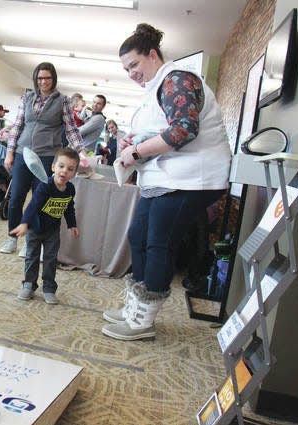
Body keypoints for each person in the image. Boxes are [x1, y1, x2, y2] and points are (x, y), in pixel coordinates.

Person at [101, 23, 231, 341]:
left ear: (153, 55)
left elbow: (184, 129)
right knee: (138, 236)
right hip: (165, 178)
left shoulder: (178, 78)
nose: (131, 72)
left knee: (159, 242)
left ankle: (142, 321)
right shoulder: (157, 88)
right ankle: (135, 307)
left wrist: (136, 151)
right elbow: (162, 129)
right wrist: (136, 139)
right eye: (126, 68)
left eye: (134, 64)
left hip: (192, 179)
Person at [0, 62, 85, 257]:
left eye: (47, 78)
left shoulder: (63, 101)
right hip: (23, 152)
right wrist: (10, 152)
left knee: (40, 199)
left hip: (47, 155)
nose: (43, 82)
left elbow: (71, 129)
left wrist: (80, 151)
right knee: (15, 199)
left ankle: (31, 240)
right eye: (40, 78)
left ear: (53, 78)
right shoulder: (27, 97)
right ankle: (12, 237)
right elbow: (18, 125)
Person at [11, 148, 80, 305]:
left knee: (50, 260)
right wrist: (25, 223)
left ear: (74, 173)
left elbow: (69, 207)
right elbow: (33, 206)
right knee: (32, 257)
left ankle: (49, 288)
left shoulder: (70, 189)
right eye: (61, 166)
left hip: (52, 230)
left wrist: (72, 225)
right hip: (35, 228)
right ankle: (28, 284)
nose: (64, 171)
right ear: (53, 167)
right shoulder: (45, 186)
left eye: (70, 169)